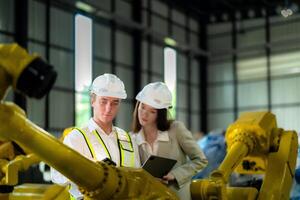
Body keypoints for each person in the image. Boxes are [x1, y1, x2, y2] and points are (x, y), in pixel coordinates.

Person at [51, 73, 140, 200]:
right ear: (93, 100)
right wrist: (84, 168)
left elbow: (137, 176)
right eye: (103, 101)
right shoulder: (76, 138)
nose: (109, 108)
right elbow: (56, 176)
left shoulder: (128, 139)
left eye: (115, 103)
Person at [131, 82, 207, 200]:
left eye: (152, 111)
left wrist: (175, 175)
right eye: (142, 107)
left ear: (160, 114)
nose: (144, 114)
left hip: (176, 196)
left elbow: (200, 160)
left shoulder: (176, 129)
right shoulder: (132, 138)